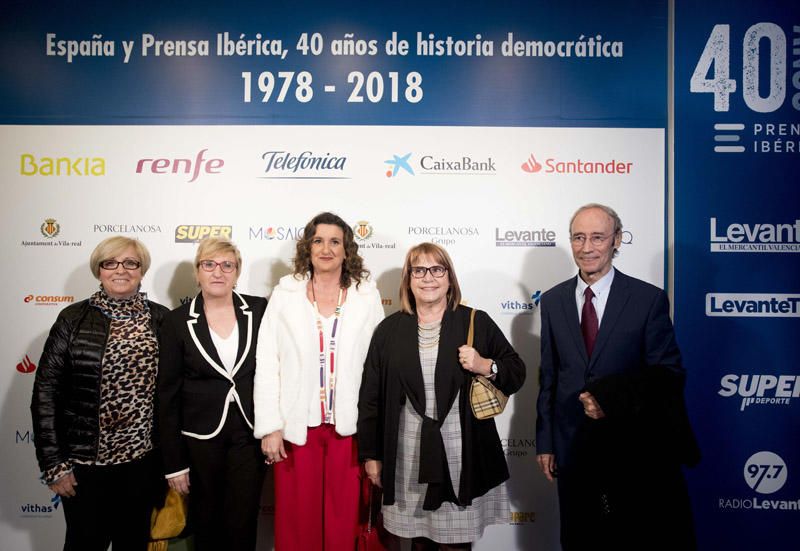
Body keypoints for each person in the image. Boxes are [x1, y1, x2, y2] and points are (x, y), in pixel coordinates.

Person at [535, 203, 699, 550]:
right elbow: (549, 375)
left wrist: (612, 399)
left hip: (631, 446)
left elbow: (668, 374)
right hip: (571, 443)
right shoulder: (552, 301)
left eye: (597, 237)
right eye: (578, 237)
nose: (587, 247)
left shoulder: (647, 300)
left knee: (628, 538)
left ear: (617, 240)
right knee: (580, 538)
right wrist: (547, 441)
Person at [358, 242, 526, 551]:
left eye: (437, 269)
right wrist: (371, 455)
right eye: (418, 270)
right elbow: (371, 398)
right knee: (419, 542)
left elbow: (516, 373)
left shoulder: (475, 321)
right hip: (407, 455)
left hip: (461, 454)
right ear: (408, 279)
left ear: (449, 278)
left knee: (456, 544)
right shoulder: (389, 330)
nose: (428, 278)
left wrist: (484, 365)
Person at [254, 212, 385, 551]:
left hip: (350, 432)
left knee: (344, 526)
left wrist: (376, 432)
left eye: (334, 241)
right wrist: (270, 425)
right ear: (307, 248)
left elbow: (378, 369)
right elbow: (268, 362)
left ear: (346, 250)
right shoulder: (285, 295)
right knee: (297, 528)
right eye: (318, 240)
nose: (326, 248)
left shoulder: (366, 297)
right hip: (297, 432)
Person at [30, 236, 169, 551]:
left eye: (130, 263)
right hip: (84, 468)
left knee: (133, 544)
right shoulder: (72, 319)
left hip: (141, 466)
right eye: (111, 263)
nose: (120, 270)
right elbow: (46, 394)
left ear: (141, 270)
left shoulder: (161, 319)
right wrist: (54, 463)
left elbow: (172, 396)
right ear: (99, 269)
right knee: (84, 543)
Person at [157, 237, 267, 551]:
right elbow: (167, 395)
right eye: (209, 264)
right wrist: (175, 463)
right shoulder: (177, 321)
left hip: (249, 433)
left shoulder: (259, 310)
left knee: (243, 521)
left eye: (226, 265)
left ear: (237, 272)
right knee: (206, 522)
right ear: (198, 272)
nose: (218, 272)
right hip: (199, 437)